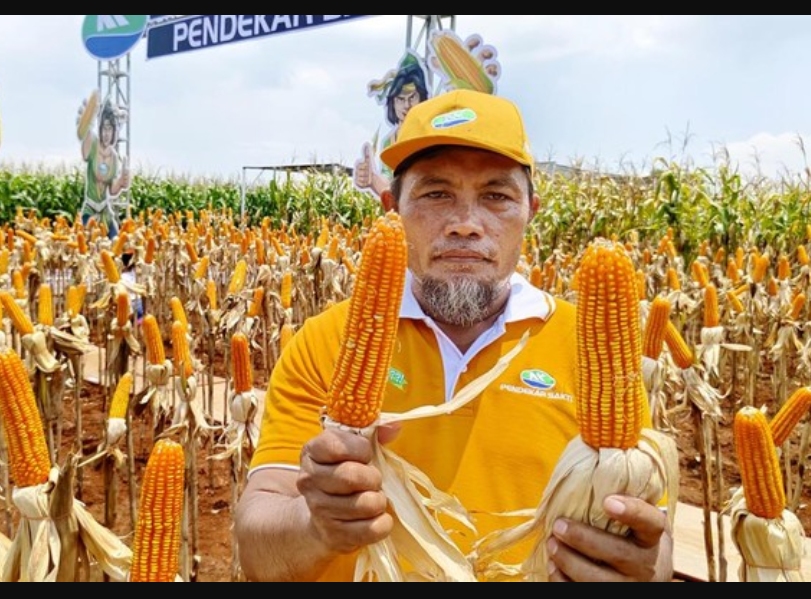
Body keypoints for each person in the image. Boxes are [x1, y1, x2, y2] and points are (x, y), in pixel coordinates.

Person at [236, 90, 673, 582]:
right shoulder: (323, 344)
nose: (466, 225)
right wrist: (314, 526)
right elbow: (257, 550)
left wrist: (644, 568)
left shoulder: (589, 348)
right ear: (392, 206)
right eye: (436, 194)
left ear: (531, 209)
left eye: (496, 196)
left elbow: (652, 538)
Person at [354, 52, 429, 200]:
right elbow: (394, 191)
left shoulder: (430, 136)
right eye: (400, 99)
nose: (406, 105)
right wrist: (372, 179)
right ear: (392, 103)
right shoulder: (390, 142)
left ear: (422, 98)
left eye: (412, 97)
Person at [77, 99, 130, 238]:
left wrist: (121, 183)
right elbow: (85, 147)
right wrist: (87, 122)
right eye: (104, 128)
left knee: (115, 243)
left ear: (114, 131)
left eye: (110, 129)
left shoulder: (113, 157)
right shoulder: (93, 144)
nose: (107, 133)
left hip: (105, 211)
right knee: (89, 245)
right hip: (90, 209)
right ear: (100, 128)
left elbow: (112, 190)